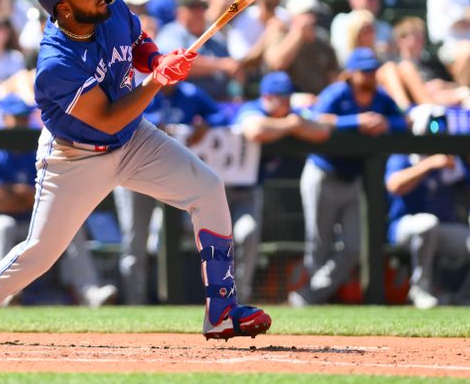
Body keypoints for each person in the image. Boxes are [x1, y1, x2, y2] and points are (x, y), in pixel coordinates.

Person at [0, 0, 271, 343]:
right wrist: (156, 81)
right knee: (43, 251)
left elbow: (136, 40)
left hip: (133, 138)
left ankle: (222, 311)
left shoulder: (108, 6)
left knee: (208, 188)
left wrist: (156, 60)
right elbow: (106, 118)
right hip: (76, 154)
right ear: (65, 8)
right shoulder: (56, 63)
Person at [0, 95, 118, 308]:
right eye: (16, 118)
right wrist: (31, 196)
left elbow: (55, 193)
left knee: (71, 227)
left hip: (29, 220)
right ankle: (3, 293)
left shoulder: (34, 149)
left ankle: (89, 291)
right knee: (4, 225)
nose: (21, 123)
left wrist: (19, 194)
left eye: (24, 118)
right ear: (4, 119)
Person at [289, 48, 407, 306]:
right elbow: (315, 118)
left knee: (354, 247)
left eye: (373, 70)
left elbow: (404, 121)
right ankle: (310, 301)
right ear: (351, 73)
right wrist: (355, 121)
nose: (370, 75)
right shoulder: (337, 93)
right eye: (365, 70)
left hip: (352, 179)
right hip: (323, 172)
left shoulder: (381, 98)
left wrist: (388, 124)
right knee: (319, 244)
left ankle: (310, 296)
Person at [114, 80, 230, 305]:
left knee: (188, 231)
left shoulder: (190, 92)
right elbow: (121, 117)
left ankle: (197, 298)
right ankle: (134, 302)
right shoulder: (140, 87)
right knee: (135, 238)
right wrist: (157, 123)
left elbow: (222, 116)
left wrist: (205, 124)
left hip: (170, 172)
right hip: (132, 169)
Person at [385, 106, 470, 309]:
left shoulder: (451, 157)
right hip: (405, 227)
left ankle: (465, 298)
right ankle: (420, 290)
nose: (437, 131)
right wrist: (428, 165)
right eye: (432, 125)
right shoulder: (405, 152)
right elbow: (394, 185)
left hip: (443, 227)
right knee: (426, 224)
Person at [233, 72, 330, 300]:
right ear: (267, 97)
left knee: (247, 234)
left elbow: (321, 130)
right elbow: (255, 130)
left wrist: (293, 122)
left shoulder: (292, 113)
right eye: (280, 98)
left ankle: (240, 296)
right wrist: (289, 125)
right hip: (219, 189)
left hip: (248, 192)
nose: (286, 103)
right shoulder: (253, 108)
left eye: (288, 98)